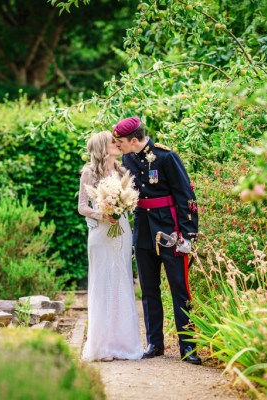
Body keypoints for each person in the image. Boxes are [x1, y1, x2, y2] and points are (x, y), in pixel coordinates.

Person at [112, 117, 201, 365]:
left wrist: (188, 234)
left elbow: (187, 196)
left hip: (170, 230)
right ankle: (155, 343)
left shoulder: (166, 157)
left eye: (120, 142)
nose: (118, 146)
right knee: (149, 290)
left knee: (179, 289)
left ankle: (188, 347)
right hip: (143, 230)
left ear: (133, 140)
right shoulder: (128, 158)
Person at [78, 130, 144, 362]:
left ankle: (124, 344)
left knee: (122, 279)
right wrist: (103, 213)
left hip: (122, 231)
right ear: (101, 148)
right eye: (111, 142)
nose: (117, 144)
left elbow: (131, 199)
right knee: (102, 282)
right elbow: (82, 207)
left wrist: (122, 208)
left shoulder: (123, 171)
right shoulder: (88, 172)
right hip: (100, 232)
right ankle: (102, 345)